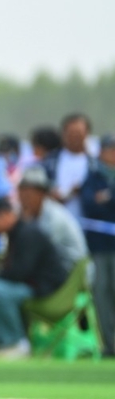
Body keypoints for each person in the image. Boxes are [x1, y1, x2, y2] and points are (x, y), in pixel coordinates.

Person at [0, 198, 70, 359]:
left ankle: (16, 343)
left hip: (47, 291)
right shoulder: (16, 234)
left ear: (4, 215)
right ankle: (3, 341)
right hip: (34, 287)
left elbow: (19, 273)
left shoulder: (28, 232)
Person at [16, 165, 88, 274]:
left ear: (41, 194)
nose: (23, 198)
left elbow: (40, 252)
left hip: (73, 271)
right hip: (56, 267)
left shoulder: (54, 217)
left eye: (28, 194)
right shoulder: (29, 214)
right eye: (21, 193)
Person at [80, 134, 115, 356]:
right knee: (101, 294)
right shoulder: (93, 176)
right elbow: (90, 205)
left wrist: (108, 197)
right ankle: (110, 345)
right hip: (100, 247)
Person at [48, 113, 94, 218]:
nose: (75, 138)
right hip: (56, 219)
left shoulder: (96, 165)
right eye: (71, 133)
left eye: (78, 134)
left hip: (87, 224)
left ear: (87, 134)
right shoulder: (50, 161)